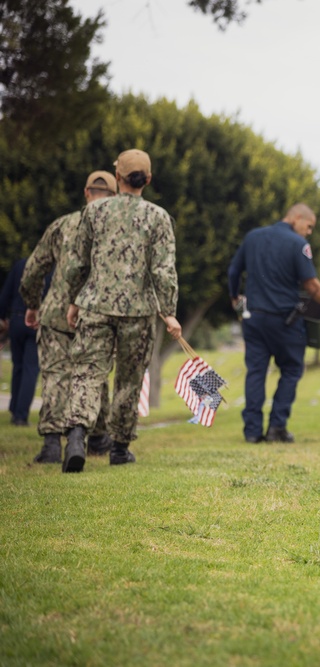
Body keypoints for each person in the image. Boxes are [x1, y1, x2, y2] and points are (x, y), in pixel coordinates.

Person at [62, 149, 182, 473]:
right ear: (149, 179)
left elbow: (76, 262)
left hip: (95, 306)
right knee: (129, 380)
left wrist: (73, 300)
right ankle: (119, 448)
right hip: (138, 312)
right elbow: (164, 270)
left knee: (87, 373)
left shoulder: (94, 211)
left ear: (117, 178)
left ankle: (76, 437)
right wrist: (169, 311)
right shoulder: (159, 217)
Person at [20, 171, 118, 464]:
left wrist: (32, 304)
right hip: (95, 314)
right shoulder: (115, 229)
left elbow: (34, 269)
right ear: (113, 197)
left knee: (55, 376)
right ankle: (98, 438)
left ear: (87, 192)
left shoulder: (62, 225)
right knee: (95, 378)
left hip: (55, 313)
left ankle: (52, 444)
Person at [228, 203, 320, 443]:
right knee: (291, 369)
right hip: (285, 321)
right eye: (308, 226)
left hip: (254, 318)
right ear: (297, 217)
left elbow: (234, 271)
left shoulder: (253, 237)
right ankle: (277, 427)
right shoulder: (298, 245)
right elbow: (311, 285)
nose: (309, 232)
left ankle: (252, 431)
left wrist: (234, 297)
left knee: (256, 371)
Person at [0, 258, 39, 426]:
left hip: (16, 319)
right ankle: (21, 416)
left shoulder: (20, 264)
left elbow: (6, 293)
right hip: (35, 320)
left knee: (18, 365)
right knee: (31, 368)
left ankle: (14, 408)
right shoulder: (50, 268)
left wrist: (1, 317)